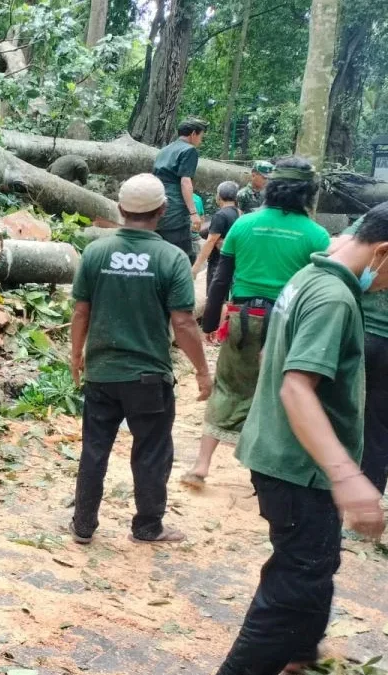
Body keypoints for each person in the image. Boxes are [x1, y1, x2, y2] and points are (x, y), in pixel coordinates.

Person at [215, 199, 388, 675]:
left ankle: (300, 655)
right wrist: (347, 475)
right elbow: (296, 386)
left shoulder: (309, 276)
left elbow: (273, 361)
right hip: (299, 467)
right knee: (295, 581)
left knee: (314, 563)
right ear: (384, 251)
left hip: (280, 452)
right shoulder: (334, 299)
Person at [69, 173, 212, 546]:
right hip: (149, 377)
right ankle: (147, 527)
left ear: (120, 209)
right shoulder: (171, 258)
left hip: (102, 373)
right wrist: (201, 370)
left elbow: (81, 312)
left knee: (94, 449)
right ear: (162, 211)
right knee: (151, 453)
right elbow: (183, 322)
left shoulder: (96, 253)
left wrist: (76, 357)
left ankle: (83, 525)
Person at [182, 158, 330, 488]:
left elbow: (221, 279)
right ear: (307, 193)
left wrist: (209, 324)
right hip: (288, 323)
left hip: (242, 318)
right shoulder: (317, 236)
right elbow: (322, 289)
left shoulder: (244, 225)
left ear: (271, 188)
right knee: (279, 394)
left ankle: (201, 466)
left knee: (228, 388)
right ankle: (263, 477)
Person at [328, 189, 388, 494]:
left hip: (355, 330)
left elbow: (334, 251)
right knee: (381, 429)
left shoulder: (373, 222)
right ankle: (367, 497)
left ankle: (333, 491)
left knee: (339, 411)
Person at [153, 118, 208, 262]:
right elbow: (185, 181)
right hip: (175, 209)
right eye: (201, 136)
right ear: (193, 134)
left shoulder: (164, 150)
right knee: (182, 257)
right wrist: (194, 213)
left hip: (157, 204)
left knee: (160, 252)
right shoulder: (189, 150)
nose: (200, 141)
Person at [192, 181, 241, 290]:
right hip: (233, 263)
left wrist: (196, 267)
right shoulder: (239, 213)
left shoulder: (221, 215)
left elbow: (210, 242)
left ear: (219, 196)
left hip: (218, 264)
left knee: (214, 298)